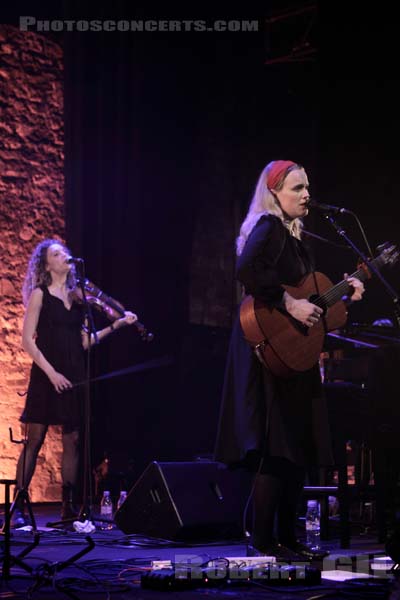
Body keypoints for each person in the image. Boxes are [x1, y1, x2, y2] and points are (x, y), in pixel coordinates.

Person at [214, 160, 364, 560]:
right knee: (276, 447)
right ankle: (265, 541)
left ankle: (289, 538)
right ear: (274, 192)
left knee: (296, 448)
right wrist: (289, 304)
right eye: (297, 188)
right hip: (270, 351)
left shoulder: (293, 238)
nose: (306, 196)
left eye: (307, 188)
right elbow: (247, 271)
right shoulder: (268, 226)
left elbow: (314, 304)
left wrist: (345, 293)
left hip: (294, 354)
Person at [13, 238, 137, 526]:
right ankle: (18, 505)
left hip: (74, 373)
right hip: (47, 374)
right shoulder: (39, 295)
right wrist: (51, 373)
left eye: (65, 252)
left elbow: (85, 342)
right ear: (46, 264)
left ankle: (68, 507)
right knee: (35, 440)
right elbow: (27, 341)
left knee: (74, 440)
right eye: (57, 254)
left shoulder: (78, 298)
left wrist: (115, 325)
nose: (65, 256)